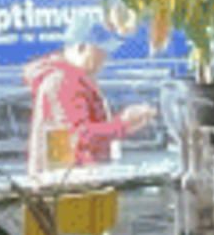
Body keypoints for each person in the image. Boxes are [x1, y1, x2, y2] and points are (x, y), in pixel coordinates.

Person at [26, 27, 134, 180]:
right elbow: (77, 136)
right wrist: (123, 125)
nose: (105, 58)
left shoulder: (70, 79)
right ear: (81, 48)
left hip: (65, 184)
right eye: (101, 51)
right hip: (67, 189)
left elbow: (66, 143)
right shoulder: (65, 82)